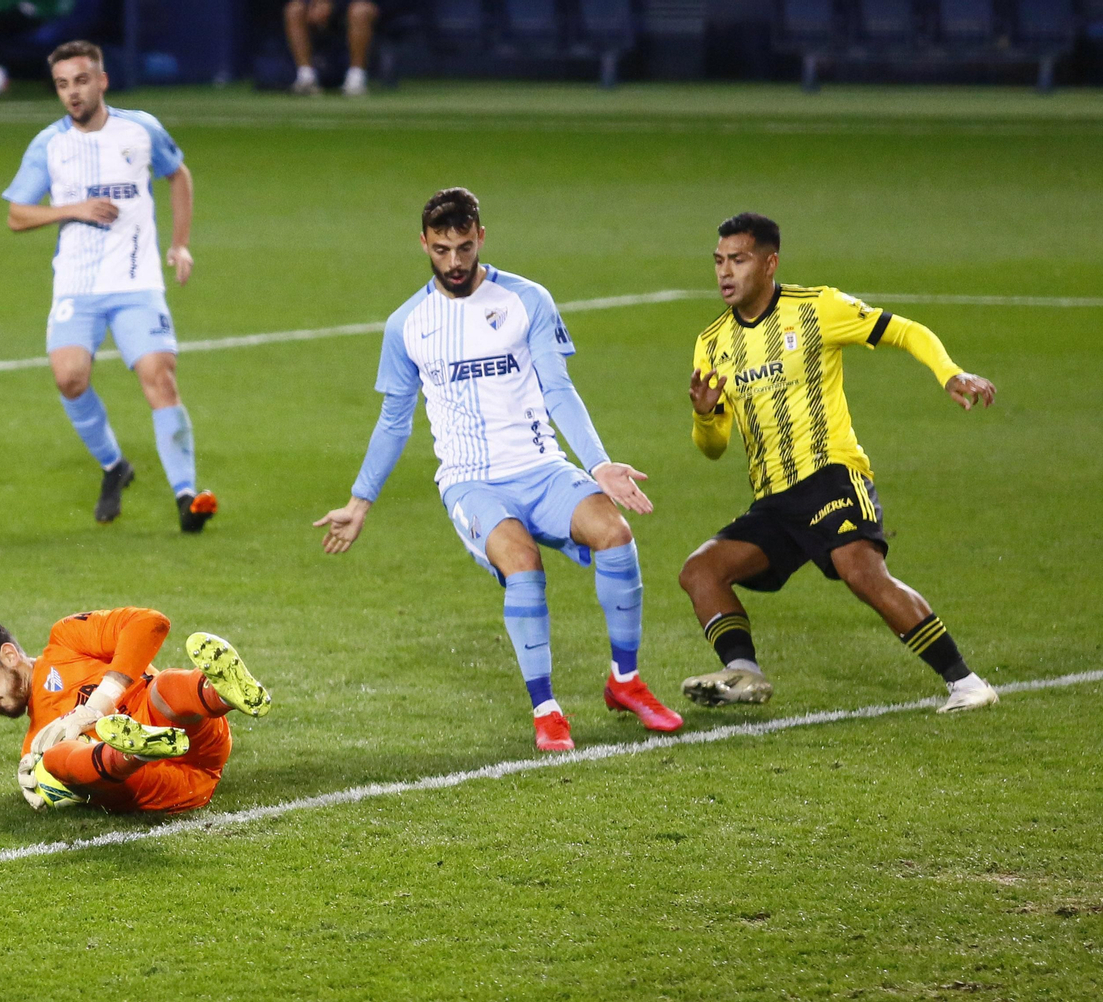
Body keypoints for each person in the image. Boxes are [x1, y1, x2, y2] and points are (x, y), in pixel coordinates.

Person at [315, 187, 685, 752]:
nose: (455, 262)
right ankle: (547, 709)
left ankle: (626, 682)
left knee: (615, 535)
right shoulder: (406, 325)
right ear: (423, 244)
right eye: (442, 249)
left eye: (464, 246)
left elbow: (558, 389)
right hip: (470, 482)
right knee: (521, 559)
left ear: (481, 236)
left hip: (541, 467)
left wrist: (599, 464)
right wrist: (359, 502)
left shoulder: (527, 300)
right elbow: (394, 422)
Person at [679, 212, 1000, 713]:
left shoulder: (817, 308)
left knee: (861, 572)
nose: (725, 272)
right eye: (719, 261)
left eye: (738, 260)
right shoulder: (712, 342)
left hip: (830, 475)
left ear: (769, 264)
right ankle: (744, 673)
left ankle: (966, 682)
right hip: (774, 499)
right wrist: (703, 417)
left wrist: (950, 373)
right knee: (701, 570)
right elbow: (713, 446)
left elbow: (905, 330)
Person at [3, 40, 217, 532]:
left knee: (160, 378)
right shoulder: (49, 145)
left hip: (136, 281)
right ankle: (114, 466)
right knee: (69, 378)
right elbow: (17, 214)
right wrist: (71, 209)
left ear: (101, 81)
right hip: (76, 286)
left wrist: (179, 244)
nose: (72, 93)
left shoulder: (141, 129)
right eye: (62, 85)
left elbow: (177, 175)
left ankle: (188, 498)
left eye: (80, 81)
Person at [0, 610, 272, 813]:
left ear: (9, 656)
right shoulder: (35, 743)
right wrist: (45, 787)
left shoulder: (66, 640)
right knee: (51, 757)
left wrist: (101, 702)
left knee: (164, 687)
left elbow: (150, 623)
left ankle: (222, 693)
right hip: (165, 785)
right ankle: (132, 751)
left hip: (193, 732)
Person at [283, 0, 379, 96]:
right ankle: (306, 77)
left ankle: (356, 79)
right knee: (295, 9)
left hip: (350, 5)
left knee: (361, 10)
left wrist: (332, 4)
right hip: (314, 6)